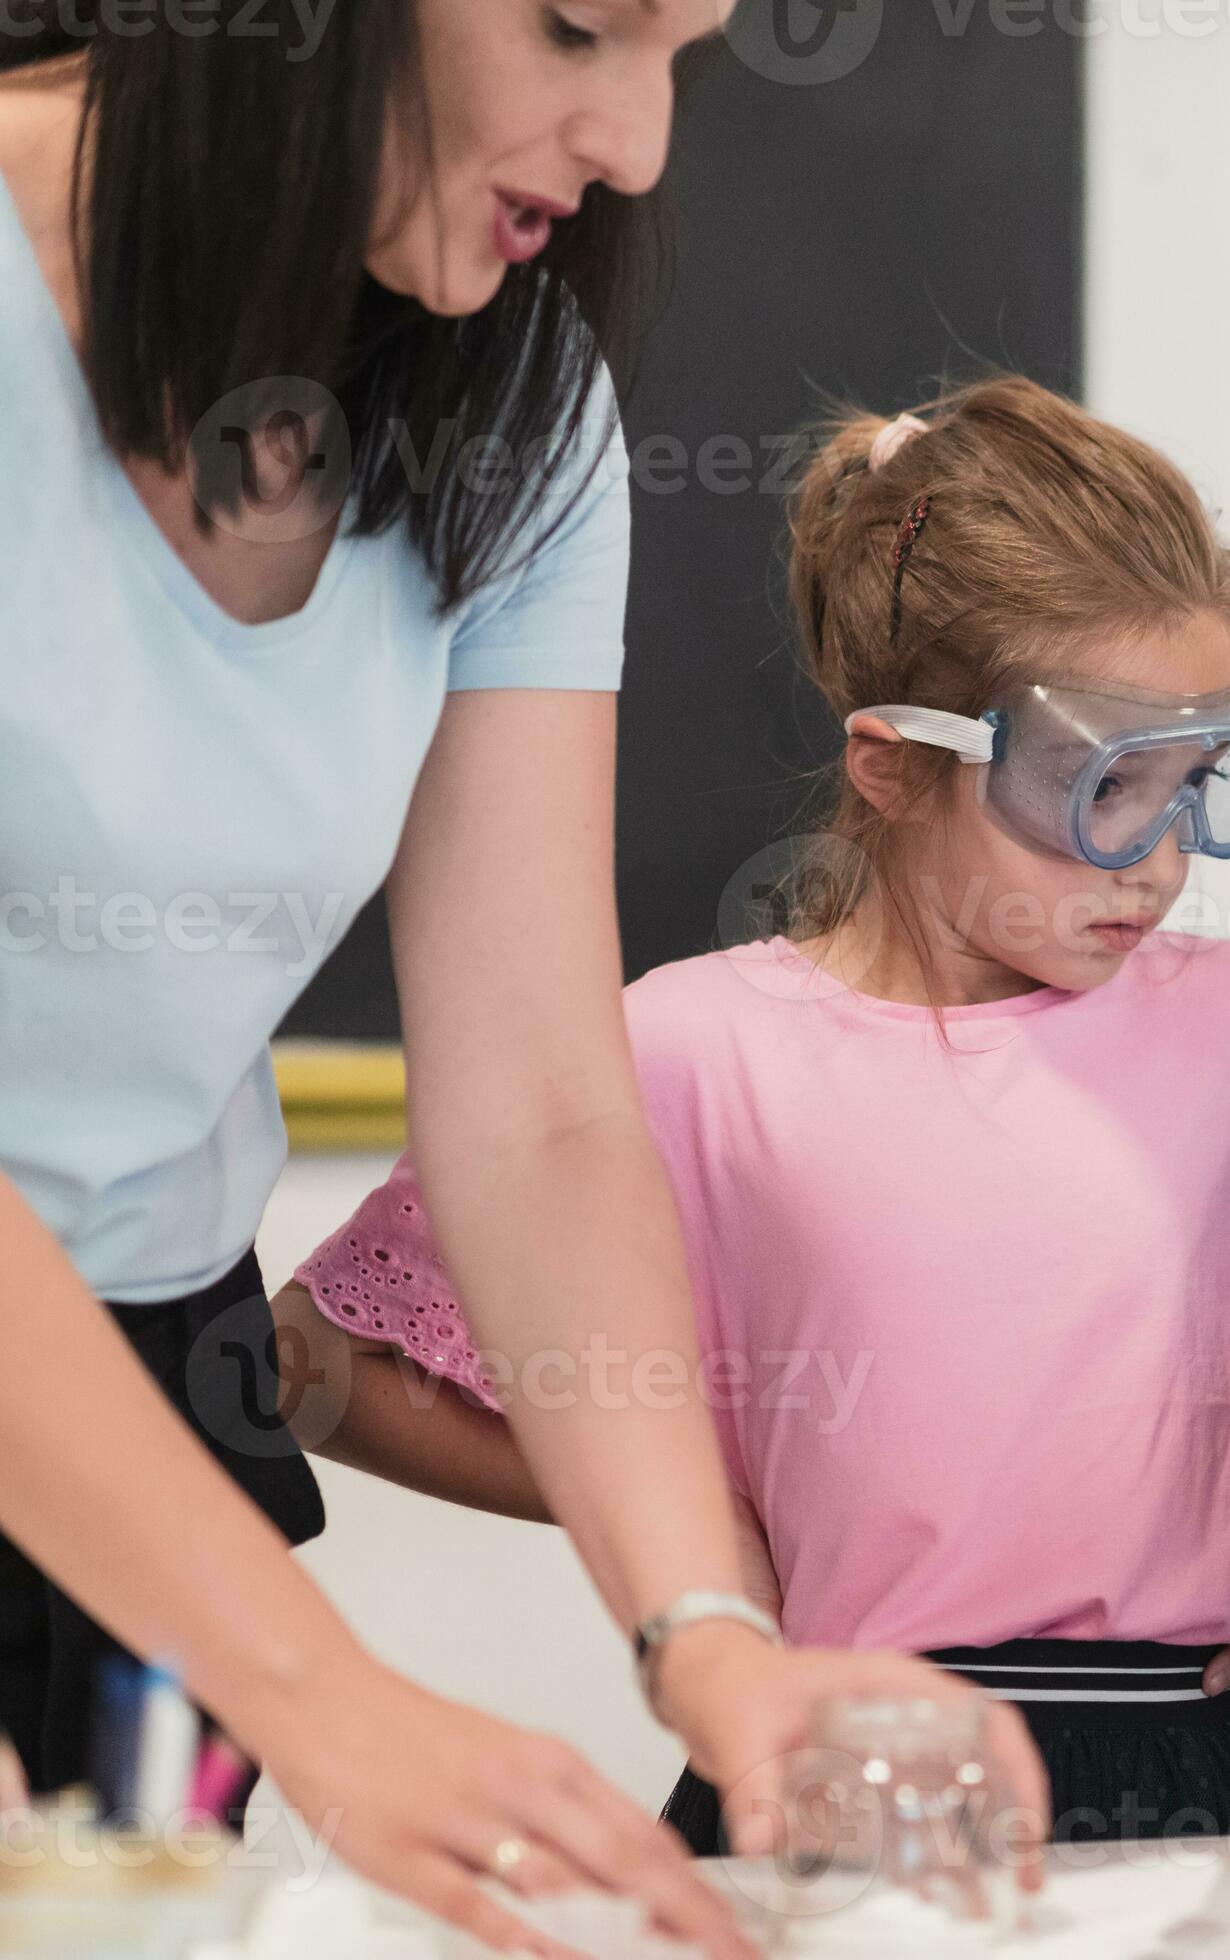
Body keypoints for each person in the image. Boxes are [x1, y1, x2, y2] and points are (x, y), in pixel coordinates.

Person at [0, 14, 1037, 1951]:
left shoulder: (514, 401)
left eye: (684, 55)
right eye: (575, 25)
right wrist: (324, 1694)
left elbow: (539, 1100)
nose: (633, 143)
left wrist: (711, 1634)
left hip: (154, 1403)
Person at [269, 377, 1230, 1849]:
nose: (1155, 860)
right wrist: (694, 1535)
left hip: (1188, 1782)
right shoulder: (683, 1053)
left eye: (1192, 787)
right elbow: (317, 1363)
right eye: (1100, 789)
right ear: (896, 761)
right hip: (820, 1776)